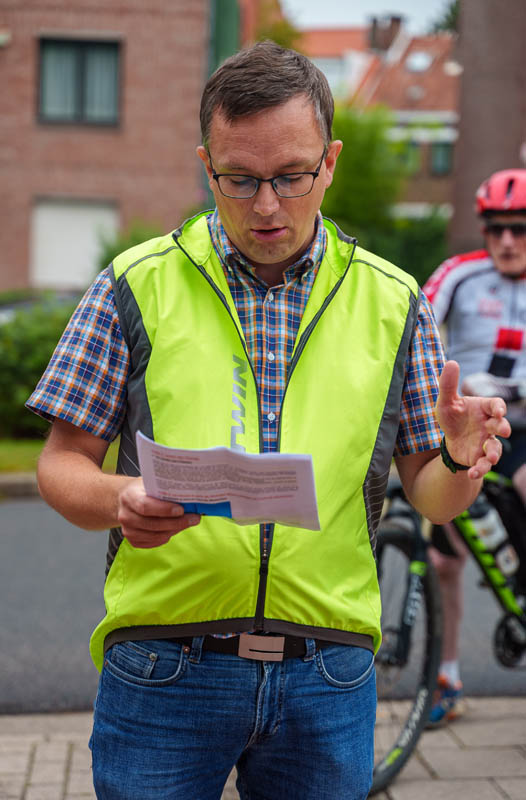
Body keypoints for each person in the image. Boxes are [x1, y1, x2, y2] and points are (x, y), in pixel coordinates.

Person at [27, 41, 509, 800]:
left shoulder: (394, 302)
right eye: (239, 178)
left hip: (329, 670)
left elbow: (433, 498)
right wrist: (118, 498)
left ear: (330, 162)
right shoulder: (134, 285)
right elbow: (60, 463)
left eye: (290, 176)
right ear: (206, 165)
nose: (265, 206)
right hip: (164, 664)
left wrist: (456, 458)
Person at [423, 168, 526, 727]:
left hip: (522, 429)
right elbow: (414, 327)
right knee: (443, 560)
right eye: (495, 229)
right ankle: (447, 676)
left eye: (520, 228)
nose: (507, 240)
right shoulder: (460, 274)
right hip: (467, 429)